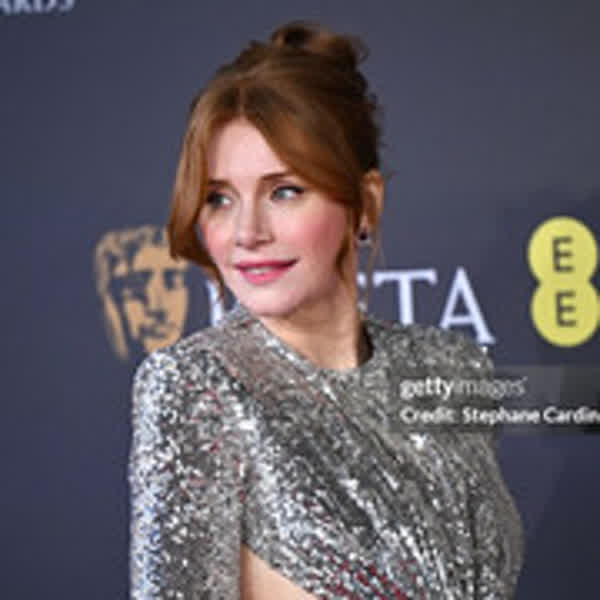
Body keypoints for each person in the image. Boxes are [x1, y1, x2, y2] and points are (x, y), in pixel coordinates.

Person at [128, 20, 524, 599]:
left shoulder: (452, 367)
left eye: (284, 191)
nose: (247, 232)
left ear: (365, 203)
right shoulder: (198, 387)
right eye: (219, 199)